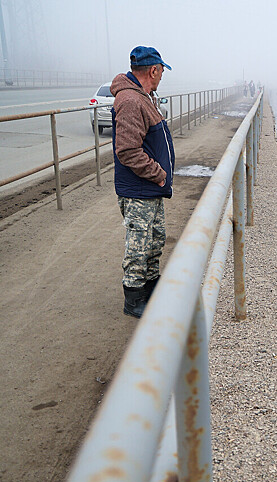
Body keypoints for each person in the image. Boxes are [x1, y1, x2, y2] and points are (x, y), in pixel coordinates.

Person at [111, 46, 175, 318]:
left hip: (149, 189)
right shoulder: (131, 101)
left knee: (154, 239)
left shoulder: (144, 97)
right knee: (139, 243)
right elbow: (127, 150)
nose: (161, 77)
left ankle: (151, 287)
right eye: (161, 72)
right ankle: (134, 298)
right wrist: (158, 174)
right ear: (153, 70)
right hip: (139, 189)